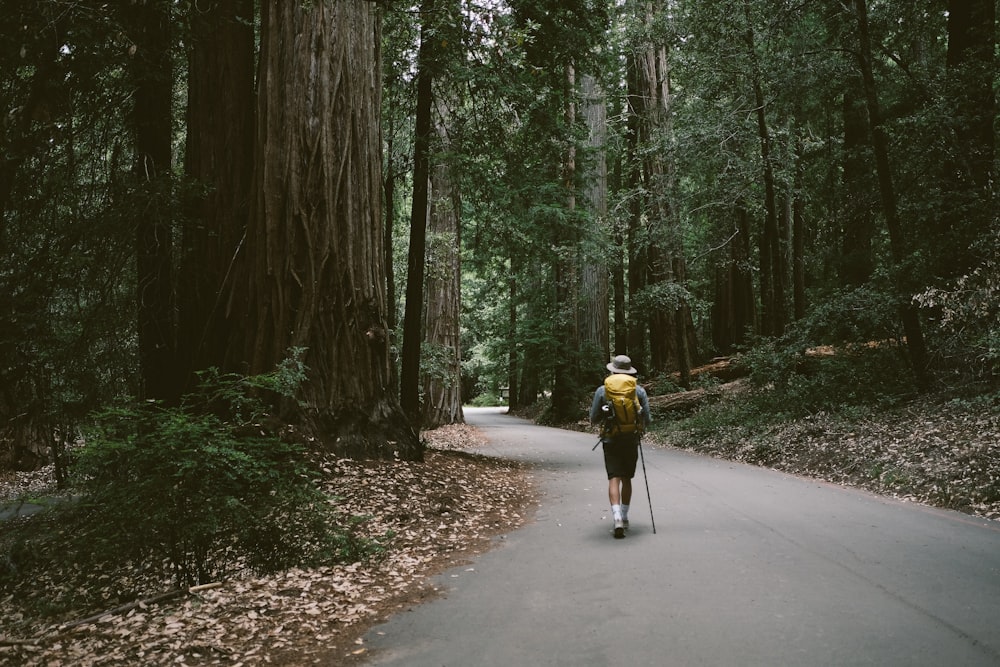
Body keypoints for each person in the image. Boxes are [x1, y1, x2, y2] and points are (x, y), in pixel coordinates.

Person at [590, 355, 651, 539]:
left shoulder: (603, 390)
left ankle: (616, 517)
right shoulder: (638, 390)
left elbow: (594, 418)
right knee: (626, 478)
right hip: (631, 438)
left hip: (610, 439)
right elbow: (647, 419)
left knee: (614, 478)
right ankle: (624, 516)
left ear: (613, 370)